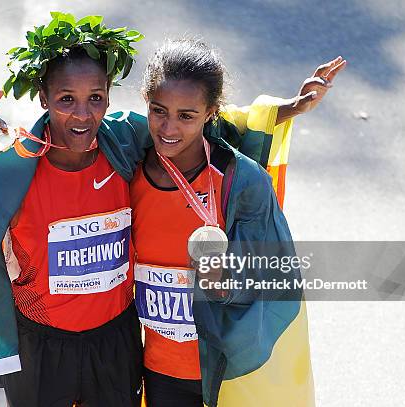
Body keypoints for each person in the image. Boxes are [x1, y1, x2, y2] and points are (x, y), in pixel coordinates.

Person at [0, 12, 333, 403]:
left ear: (110, 99)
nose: (83, 115)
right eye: (66, 99)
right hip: (41, 348)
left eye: (96, 100)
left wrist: (288, 109)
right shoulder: (13, 166)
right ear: (43, 98)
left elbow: (199, 127)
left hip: (117, 342)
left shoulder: (125, 143)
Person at [131, 39, 345, 406]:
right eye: (158, 110)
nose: (168, 127)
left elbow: (274, 272)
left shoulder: (241, 180)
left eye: (187, 116)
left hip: (227, 371)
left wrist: (226, 283)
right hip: (158, 369)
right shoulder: (128, 161)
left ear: (211, 112)